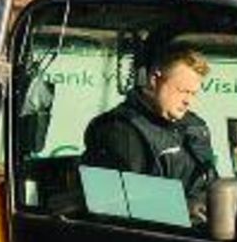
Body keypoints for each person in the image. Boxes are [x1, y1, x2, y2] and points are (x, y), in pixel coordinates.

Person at [84, 41, 219, 210]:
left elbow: (212, 184)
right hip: (159, 232)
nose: (188, 101)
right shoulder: (120, 131)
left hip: (202, 227)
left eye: (193, 93)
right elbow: (120, 205)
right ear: (155, 80)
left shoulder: (195, 126)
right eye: (183, 91)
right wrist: (186, 208)